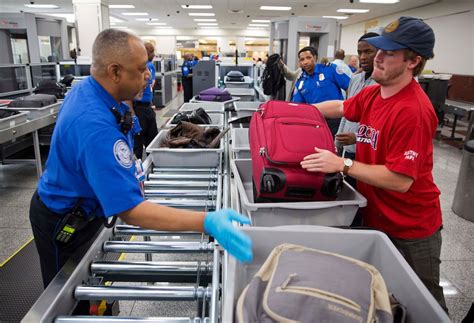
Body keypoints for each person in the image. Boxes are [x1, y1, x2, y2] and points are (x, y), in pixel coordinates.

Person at [29, 29, 253, 289]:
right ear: (115, 72)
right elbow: (131, 210)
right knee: (68, 293)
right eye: (140, 68)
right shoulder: (94, 126)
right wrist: (206, 221)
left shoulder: (95, 91)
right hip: (65, 220)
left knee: (98, 286)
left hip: (88, 206)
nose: (148, 75)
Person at [300, 17, 447, 312]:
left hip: (410, 227)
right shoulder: (375, 91)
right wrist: (295, 111)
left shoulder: (413, 111)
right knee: (382, 293)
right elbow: (342, 106)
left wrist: (342, 163)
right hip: (375, 215)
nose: (377, 57)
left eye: (389, 53)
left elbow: (400, 180)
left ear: (413, 61)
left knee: (423, 302)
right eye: (379, 49)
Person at [335, 32, 379, 174]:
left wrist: (358, 138)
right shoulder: (355, 79)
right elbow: (346, 111)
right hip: (349, 148)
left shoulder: (382, 84)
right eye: (360, 52)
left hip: (369, 151)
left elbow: (380, 124)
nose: (363, 57)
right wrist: (338, 138)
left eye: (368, 52)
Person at [282, 46, 350, 136]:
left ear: (315, 57)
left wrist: (350, 109)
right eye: (302, 59)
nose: (305, 62)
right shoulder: (300, 82)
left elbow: (349, 86)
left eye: (308, 58)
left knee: (336, 148)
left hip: (337, 119)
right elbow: (298, 106)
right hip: (316, 122)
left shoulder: (329, 69)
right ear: (300, 63)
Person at [133, 42, 158, 159]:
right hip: (138, 108)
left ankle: (152, 165)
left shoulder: (150, 66)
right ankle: (137, 170)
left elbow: (150, 85)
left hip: (147, 107)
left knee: (152, 140)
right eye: (151, 52)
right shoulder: (136, 68)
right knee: (137, 142)